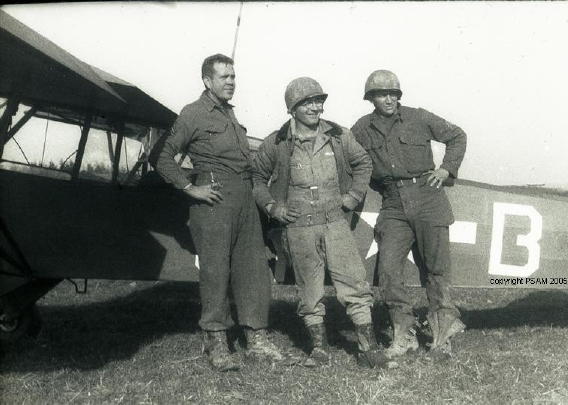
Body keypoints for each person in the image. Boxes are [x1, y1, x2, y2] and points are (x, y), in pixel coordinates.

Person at [154, 54, 284, 372]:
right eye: (224, 77)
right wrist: (190, 187)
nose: (231, 82)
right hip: (214, 200)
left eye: (233, 76)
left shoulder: (230, 114)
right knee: (215, 272)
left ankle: (257, 341)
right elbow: (161, 156)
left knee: (253, 269)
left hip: (244, 199)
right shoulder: (193, 113)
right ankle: (216, 343)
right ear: (207, 80)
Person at [253, 77, 393, 368]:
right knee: (309, 290)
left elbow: (363, 163)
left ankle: (368, 348)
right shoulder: (277, 141)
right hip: (298, 227)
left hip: (335, 222)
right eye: (307, 103)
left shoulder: (339, 136)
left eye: (318, 101)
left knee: (354, 283)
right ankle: (319, 349)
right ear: (292, 108)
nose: (315, 107)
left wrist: (353, 196)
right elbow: (256, 178)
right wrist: (272, 207)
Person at [351, 70, 467, 357]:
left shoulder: (418, 117)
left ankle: (442, 336)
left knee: (436, 270)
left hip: (428, 197)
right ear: (371, 98)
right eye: (382, 94)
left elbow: (457, 135)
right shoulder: (361, 129)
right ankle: (404, 333)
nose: (389, 99)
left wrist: (446, 169)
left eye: (393, 93)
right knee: (388, 270)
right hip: (392, 203)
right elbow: (348, 159)